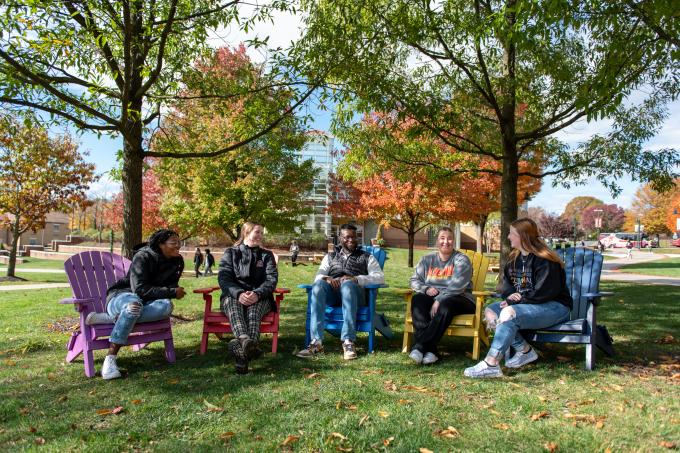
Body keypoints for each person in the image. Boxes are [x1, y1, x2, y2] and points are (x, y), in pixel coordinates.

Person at [464, 218, 572, 378]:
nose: (508, 237)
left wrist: (516, 300)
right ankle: (525, 350)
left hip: (554, 307)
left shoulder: (545, 261)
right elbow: (506, 287)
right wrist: (509, 296)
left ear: (523, 236)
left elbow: (544, 292)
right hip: (526, 305)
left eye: (512, 234)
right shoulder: (514, 260)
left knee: (508, 313)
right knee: (491, 312)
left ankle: (491, 363)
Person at [101, 229, 185, 380]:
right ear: (161, 244)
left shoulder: (177, 261)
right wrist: (172, 292)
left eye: (179, 242)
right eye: (174, 243)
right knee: (133, 306)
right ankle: (110, 359)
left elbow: (169, 288)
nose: (178, 246)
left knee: (166, 306)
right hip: (123, 296)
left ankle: (112, 318)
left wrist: (172, 292)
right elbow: (139, 289)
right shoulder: (143, 256)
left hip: (148, 302)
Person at [296, 223, 385, 360]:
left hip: (356, 295)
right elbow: (318, 276)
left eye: (354, 237)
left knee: (348, 284)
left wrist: (356, 279)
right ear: (340, 238)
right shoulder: (330, 256)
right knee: (319, 285)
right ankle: (316, 342)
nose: (351, 240)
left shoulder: (367, 257)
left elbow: (379, 277)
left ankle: (348, 341)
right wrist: (328, 279)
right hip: (333, 294)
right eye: (347, 237)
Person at [408, 226, 474, 365]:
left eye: (449, 238)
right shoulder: (427, 260)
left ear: (454, 241)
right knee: (418, 299)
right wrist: (425, 289)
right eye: (442, 238)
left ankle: (419, 346)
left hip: (461, 299)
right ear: (437, 241)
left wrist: (439, 299)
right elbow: (414, 280)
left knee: (446, 305)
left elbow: (458, 285)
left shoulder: (462, 260)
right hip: (433, 296)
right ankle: (431, 351)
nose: (446, 241)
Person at [218, 221, 278, 374]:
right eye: (257, 232)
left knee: (253, 312)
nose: (260, 236)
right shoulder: (231, 253)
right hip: (233, 295)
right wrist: (238, 293)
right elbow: (224, 278)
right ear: (246, 232)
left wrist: (257, 293)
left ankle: (241, 353)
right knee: (233, 306)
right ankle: (247, 342)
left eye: (262, 233)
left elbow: (271, 280)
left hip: (261, 297)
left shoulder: (266, 255)